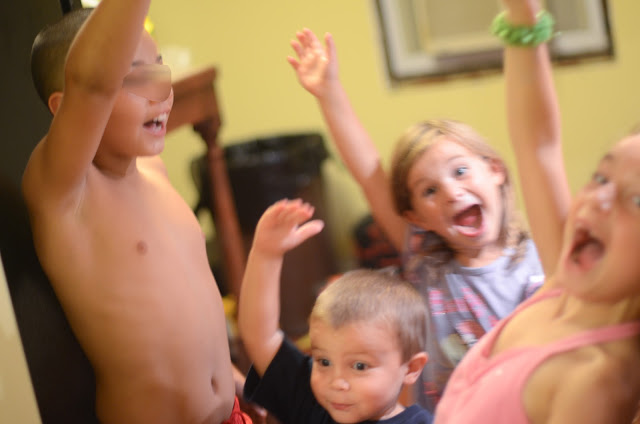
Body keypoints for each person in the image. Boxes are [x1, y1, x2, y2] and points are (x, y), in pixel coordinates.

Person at [287, 28, 544, 411]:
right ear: (415, 217)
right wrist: (329, 92)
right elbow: (369, 174)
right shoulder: (426, 258)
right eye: (429, 191)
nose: (451, 193)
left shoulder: (538, 262)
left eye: (460, 171)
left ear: (495, 170)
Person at [22, 2, 249, 423]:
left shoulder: (153, 172)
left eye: (159, 70)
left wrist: (235, 382)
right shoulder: (64, 194)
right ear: (64, 108)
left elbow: (190, 312)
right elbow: (90, 82)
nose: (160, 91)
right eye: (134, 78)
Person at [434, 1, 640, 423]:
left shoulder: (595, 379)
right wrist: (523, 18)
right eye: (600, 177)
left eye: (636, 200)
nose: (598, 199)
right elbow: (538, 145)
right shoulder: (566, 286)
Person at [238, 198, 434, 424]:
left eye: (359, 366)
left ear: (410, 368)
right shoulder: (312, 402)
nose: (336, 382)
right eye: (324, 362)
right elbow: (260, 337)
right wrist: (266, 254)